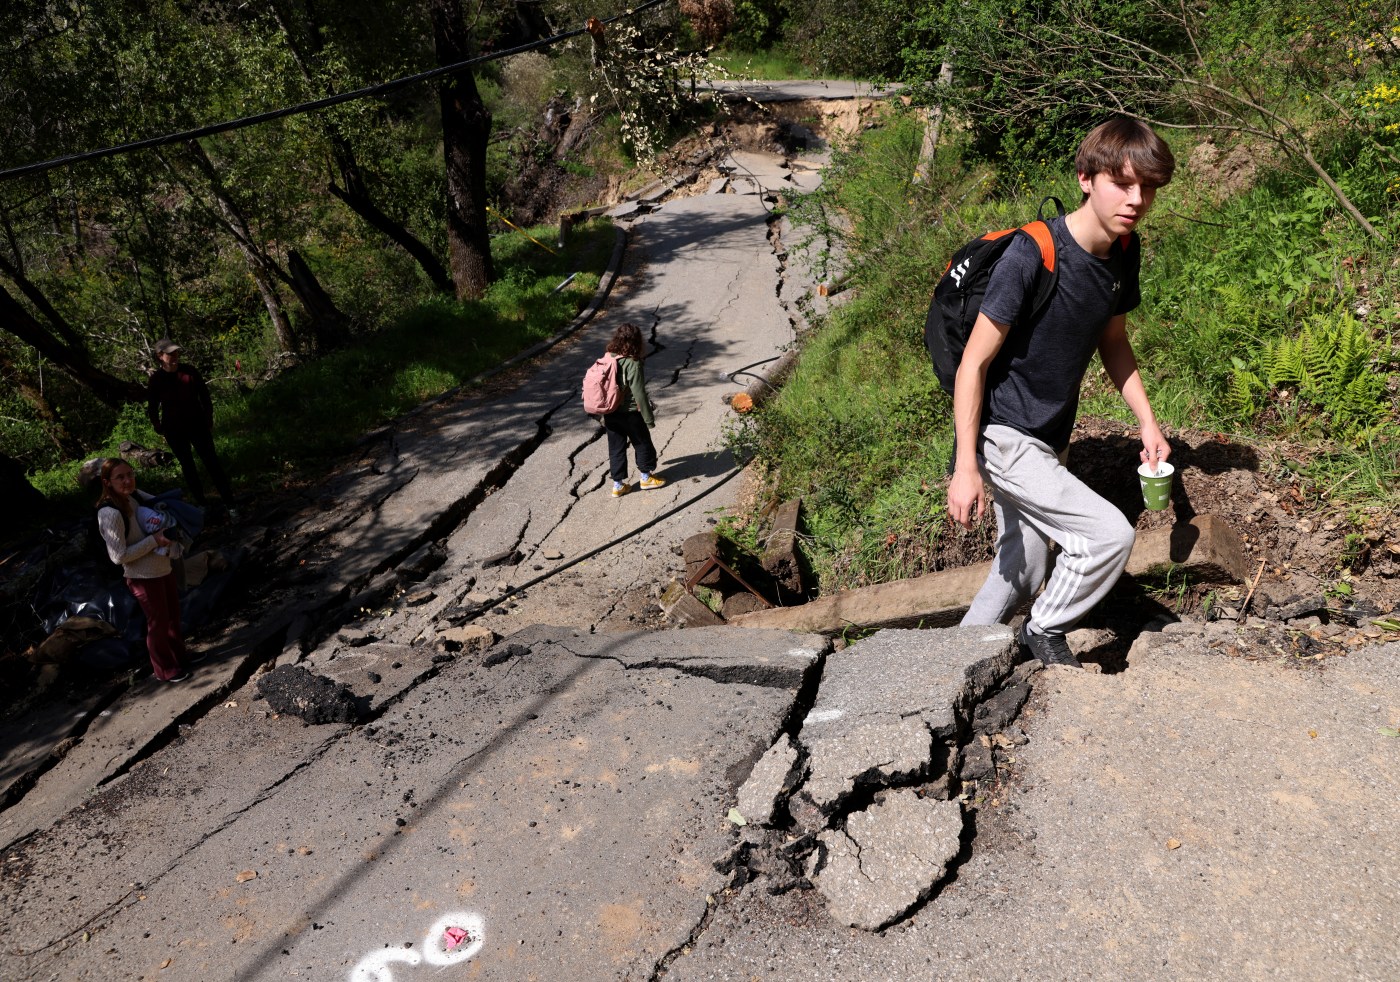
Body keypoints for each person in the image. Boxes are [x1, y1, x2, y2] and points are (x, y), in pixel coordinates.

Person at [948, 117, 1176, 669]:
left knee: (1023, 569)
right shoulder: (1033, 253)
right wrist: (965, 465)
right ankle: (1043, 629)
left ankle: (944, 663)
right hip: (1004, 437)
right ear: (1085, 179)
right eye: (1122, 183)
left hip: (1051, 438)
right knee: (1107, 537)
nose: (1137, 198)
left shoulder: (1124, 251)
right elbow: (972, 365)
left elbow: (1114, 341)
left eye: (1147, 187)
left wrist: (1147, 421)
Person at [95, 458, 196, 682]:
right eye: (120, 477)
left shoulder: (134, 496)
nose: (127, 480)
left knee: (173, 617)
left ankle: (180, 657)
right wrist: (154, 540)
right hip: (141, 577)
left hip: (163, 567)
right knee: (158, 624)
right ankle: (164, 670)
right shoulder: (109, 513)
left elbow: (165, 503)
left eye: (130, 474)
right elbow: (118, 556)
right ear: (107, 482)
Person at [146, 338, 238, 518]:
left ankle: (230, 504)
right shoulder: (156, 380)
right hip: (174, 429)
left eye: (176, 352)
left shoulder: (189, 372)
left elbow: (204, 396)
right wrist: (158, 426)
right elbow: (152, 405)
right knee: (188, 467)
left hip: (197, 425)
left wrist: (208, 418)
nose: (174, 356)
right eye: (170, 353)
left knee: (212, 464)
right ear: (159, 356)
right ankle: (202, 504)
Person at [601, 322, 666, 498]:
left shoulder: (608, 358)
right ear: (637, 341)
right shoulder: (632, 363)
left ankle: (618, 485)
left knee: (616, 448)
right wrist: (649, 419)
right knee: (642, 442)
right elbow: (639, 393)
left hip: (610, 413)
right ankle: (646, 478)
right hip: (629, 413)